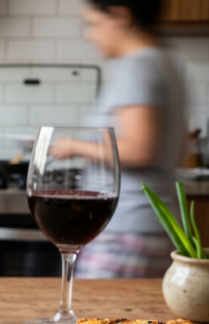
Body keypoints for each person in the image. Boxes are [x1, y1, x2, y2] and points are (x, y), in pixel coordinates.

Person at [52, 0, 185, 278]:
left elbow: (142, 148)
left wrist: (73, 146)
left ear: (120, 15)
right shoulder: (163, 61)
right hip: (147, 223)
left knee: (103, 319)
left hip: (128, 228)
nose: (90, 35)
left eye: (94, 23)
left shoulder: (137, 67)